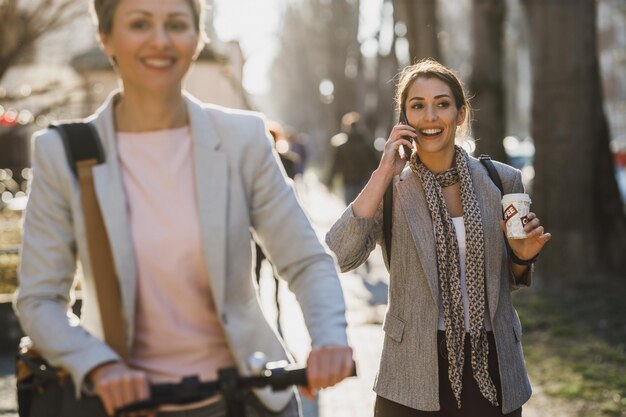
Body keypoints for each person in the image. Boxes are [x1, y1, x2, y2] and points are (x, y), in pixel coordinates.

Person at [14, 1, 353, 416]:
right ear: (106, 38)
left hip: (244, 398)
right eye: (139, 24)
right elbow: (40, 298)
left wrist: (329, 337)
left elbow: (304, 260)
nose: (160, 41)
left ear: (197, 38)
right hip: (127, 402)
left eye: (176, 24)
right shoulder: (63, 152)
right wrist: (99, 365)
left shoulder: (241, 139)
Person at [325, 59, 552, 417]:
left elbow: (508, 280)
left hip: (492, 363)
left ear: (460, 115)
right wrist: (383, 171)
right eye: (418, 106)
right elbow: (338, 254)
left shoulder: (501, 182)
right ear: (405, 118)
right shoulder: (392, 189)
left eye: (442, 104)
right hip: (411, 369)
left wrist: (522, 258)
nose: (430, 116)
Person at [326, 111, 380, 206]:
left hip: (349, 182)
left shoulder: (342, 145)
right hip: (366, 182)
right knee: (366, 209)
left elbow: (336, 164)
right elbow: (376, 163)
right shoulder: (367, 143)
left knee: (350, 211)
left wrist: (329, 182)